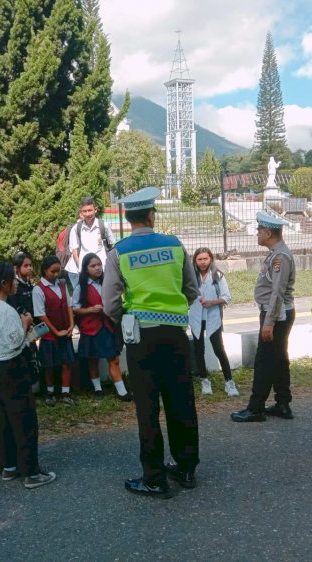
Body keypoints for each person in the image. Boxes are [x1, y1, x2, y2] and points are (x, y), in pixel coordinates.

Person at [103, 186, 200, 498]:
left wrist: (128, 315)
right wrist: (172, 308)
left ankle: (154, 477)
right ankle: (186, 468)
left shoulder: (118, 252)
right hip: (175, 335)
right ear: (151, 214)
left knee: (147, 407)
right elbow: (192, 289)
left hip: (141, 337)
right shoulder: (175, 246)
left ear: (130, 218)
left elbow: (109, 304)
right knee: (181, 400)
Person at [0, 262, 57, 489]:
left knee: (5, 419)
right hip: (13, 368)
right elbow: (15, 342)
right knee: (25, 420)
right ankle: (31, 473)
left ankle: (9, 465)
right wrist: (25, 324)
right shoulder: (6, 310)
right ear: (4, 284)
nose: (17, 283)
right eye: (13, 280)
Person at [232, 212, 296, 422]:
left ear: (268, 232)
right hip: (276, 312)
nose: (257, 234)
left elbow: (277, 292)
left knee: (264, 360)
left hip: (275, 314)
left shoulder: (280, 257)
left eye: (259, 230)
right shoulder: (276, 253)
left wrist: (268, 322)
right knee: (278, 359)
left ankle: (256, 408)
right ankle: (282, 403)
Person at [73, 253, 132, 401]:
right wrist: (90, 310)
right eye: (93, 266)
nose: (97, 268)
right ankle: (98, 389)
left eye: (99, 265)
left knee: (113, 358)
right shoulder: (81, 287)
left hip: (108, 326)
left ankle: (122, 391)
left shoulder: (108, 283)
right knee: (93, 359)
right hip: (90, 328)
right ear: (86, 269)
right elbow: (75, 308)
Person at [188, 247, 237, 397]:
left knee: (219, 349)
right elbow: (185, 295)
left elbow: (227, 297)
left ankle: (229, 382)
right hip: (196, 318)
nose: (202, 262)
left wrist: (213, 302)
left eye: (205, 259)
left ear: (211, 259)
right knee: (198, 350)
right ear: (195, 261)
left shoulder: (218, 276)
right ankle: (204, 380)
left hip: (213, 317)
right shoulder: (191, 278)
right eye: (199, 259)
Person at [32, 255, 77, 406]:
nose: (56, 274)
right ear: (45, 271)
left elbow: (69, 306)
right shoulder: (38, 289)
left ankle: (65, 392)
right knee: (49, 365)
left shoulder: (62, 285)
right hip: (50, 334)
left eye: (58, 271)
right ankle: (50, 392)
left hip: (65, 331)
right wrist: (56, 332)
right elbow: (41, 315)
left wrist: (71, 325)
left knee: (67, 363)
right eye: (53, 271)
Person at [7, 251, 41, 392]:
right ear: (16, 268)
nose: (30, 268)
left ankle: (33, 385)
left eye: (31, 265)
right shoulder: (14, 287)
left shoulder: (30, 285)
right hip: (20, 328)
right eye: (26, 265)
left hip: (31, 328)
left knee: (32, 354)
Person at [65, 197, 116, 290]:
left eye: (90, 210)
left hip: (101, 269)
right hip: (82, 271)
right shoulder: (76, 228)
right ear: (81, 212)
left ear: (95, 210)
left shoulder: (104, 225)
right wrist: (82, 270)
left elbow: (111, 246)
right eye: (85, 211)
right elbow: (75, 251)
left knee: (104, 295)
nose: (88, 214)